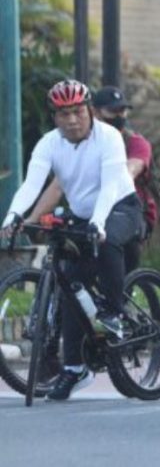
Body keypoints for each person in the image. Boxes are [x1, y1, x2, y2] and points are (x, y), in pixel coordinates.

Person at [1, 80, 144, 401]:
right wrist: (13, 216)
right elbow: (31, 184)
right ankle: (75, 368)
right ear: (54, 117)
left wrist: (97, 222)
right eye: (63, 114)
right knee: (67, 281)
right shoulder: (49, 144)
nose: (72, 120)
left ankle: (114, 312)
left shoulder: (108, 138)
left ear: (90, 110)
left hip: (121, 208)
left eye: (77, 111)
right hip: (83, 215)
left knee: (106, 242)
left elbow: (109, 186)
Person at [27, 86, 158, 271]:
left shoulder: (136, 143)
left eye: (123, 110)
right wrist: (32, 219)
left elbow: (128, 172)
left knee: (108, 251)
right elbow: (57, 187)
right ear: (93, 112)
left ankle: (115, 298)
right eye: (113, 111)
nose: (120, 115)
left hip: (130, 214)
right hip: (92, 213)